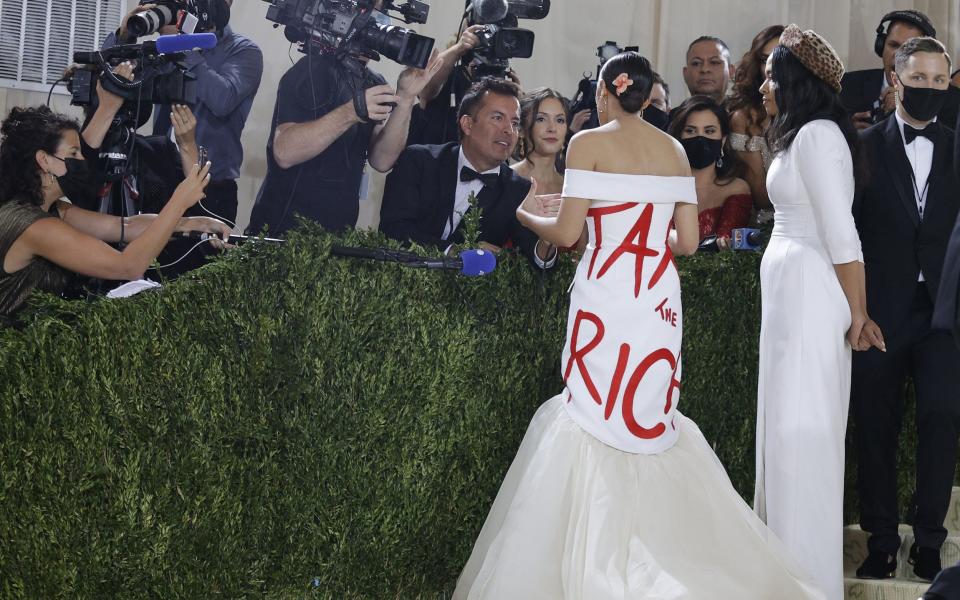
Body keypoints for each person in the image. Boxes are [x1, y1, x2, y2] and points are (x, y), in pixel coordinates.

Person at [452, 52, 824, 600]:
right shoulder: (672, 150)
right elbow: (689, 244)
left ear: (605, 92)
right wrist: (648, 249)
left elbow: (567, 232)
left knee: (591, 414)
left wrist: (529, 211)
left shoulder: (589, 143)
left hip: (606, 294)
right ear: (648, 96)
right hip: (656, 299)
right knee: (650, 417)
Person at [754, 25, 885, 600]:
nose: (761, 85)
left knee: (803, 438)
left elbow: (842, 235)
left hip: (811, 295)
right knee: (783, 437)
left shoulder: (818, 137)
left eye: (769, 75)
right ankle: (782, 572)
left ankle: (806, 585)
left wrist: (857, 314)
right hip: (790, 297)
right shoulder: (798, 135)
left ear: (794, 81)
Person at [851, 37, 960, 583]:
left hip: (944, 314)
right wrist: (856, 311)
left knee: (941, 422)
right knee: (875, 426)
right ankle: (882, 539)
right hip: (878, 312)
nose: (931, 89)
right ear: (896, 80)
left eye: (941, 81)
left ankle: (930, 542)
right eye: (921, 79)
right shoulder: (862, 147)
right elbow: (846, 233)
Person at [0, 106, 226, 315]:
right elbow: (127, 266)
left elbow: (125, 226)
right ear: (44, 160)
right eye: (74, 153)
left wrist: (194, 223)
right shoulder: (36, 227)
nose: (82, 160)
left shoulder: (53, 210)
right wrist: (179, 201)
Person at [246, 39, 441, 236]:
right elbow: (285, 152)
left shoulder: (373, 82)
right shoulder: (311, 69)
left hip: (337, 234)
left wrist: (406, 98)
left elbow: (382, 160)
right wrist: (351, 112)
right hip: (282, 230)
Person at [109, 0, 263, 225]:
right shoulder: (162, 48)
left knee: (203, 260)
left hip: (211, 185)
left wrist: (183, 45)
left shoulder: (243, 50)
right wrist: (124, 36)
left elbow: (223, 99)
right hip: (159, 179)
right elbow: (114, 82)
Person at [379, 78, 557, 267]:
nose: (508, 130)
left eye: (514, 123)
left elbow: (535, 262)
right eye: (497, 118)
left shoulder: (519, 190)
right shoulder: (419, 161)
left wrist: (548, 235)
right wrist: (455, 252)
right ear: (468, 125)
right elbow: (393, 229)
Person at [841, 10, 959, 132]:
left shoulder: (950, 100)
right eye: (893, 45)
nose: (898, 55)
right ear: (881, 46)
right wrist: (848, 132)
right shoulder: (847, 86)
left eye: (909, 48)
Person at [669, 95, 752, 247]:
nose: (700, 138)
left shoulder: (736, 189)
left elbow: (725, 251)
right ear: (678, 138)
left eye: (709, 131)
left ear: (723, 140)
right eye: (691, 131)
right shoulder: (662, 187)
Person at [727, 25, 784, 209]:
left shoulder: (811, 115)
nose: (772, 66)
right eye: (765, 59)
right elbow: (761, 195)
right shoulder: (744, 118)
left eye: (781, 59)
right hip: (765, 222)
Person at [675, 35, 734, 113]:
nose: (705, 69)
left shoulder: (747, 120)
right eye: (696, 63)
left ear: (731, 71)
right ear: (685, 74)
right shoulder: (670, 122)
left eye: (714, 62)